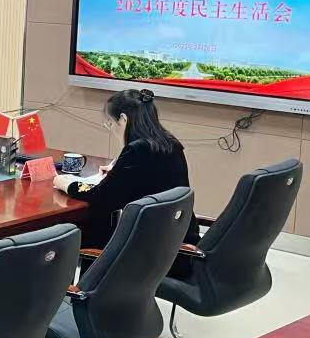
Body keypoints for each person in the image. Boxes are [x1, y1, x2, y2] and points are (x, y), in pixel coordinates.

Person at [52, 88, 200, 249]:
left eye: (110, 122)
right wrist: (117, 173)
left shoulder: (137, 150)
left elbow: (101, 196)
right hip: (175, 238)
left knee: (74, 234)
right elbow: (145, 181)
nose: (111, 128)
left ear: (123, 119)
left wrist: (66, 183)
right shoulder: (170, 143)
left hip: (149, 246)